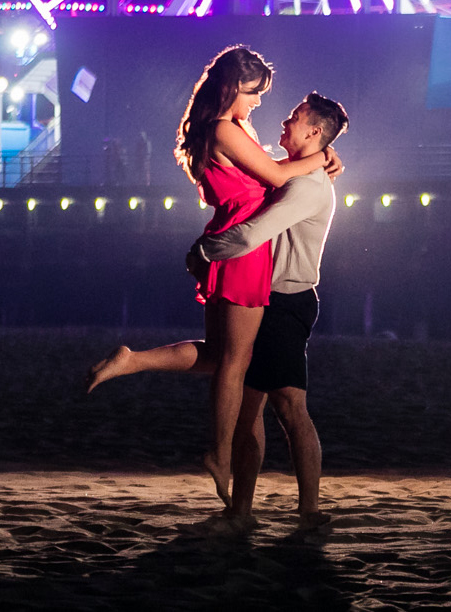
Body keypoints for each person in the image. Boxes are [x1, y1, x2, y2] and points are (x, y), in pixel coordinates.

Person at [86, 45, 333, 507]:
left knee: (222, 357)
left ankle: (131, 361)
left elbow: (273, 172)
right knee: (234, 364)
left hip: (230, 238)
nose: (259, 101)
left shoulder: (227, 126)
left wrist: (321, 155)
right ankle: (219, 455)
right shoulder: (224, 128)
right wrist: (322, 159)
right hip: (242, 248)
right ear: (230, 88)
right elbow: (277, 178)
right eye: (253, 92)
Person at [187, 91, 348, 528]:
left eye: (295, 117)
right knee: (253, 408)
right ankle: (244, 509)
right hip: (270, 298)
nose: (284, 121)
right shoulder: (296, 173)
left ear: (314, 131)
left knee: (289, 409)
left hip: (284, 302)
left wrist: (202, 251)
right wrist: (325, 155)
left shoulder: (305, 186)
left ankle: (307, 510)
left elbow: (248, 237)